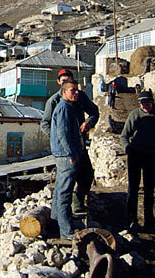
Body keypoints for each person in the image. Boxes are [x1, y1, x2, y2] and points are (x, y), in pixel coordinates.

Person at [41, 69, 99, 213]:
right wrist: (59, 139)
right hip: (64, 150)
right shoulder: (54, 102)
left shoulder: (79, 96)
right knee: (66, 181)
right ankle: (61, 217)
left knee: (86, 174)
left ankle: (78, 202)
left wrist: (89, 123)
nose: (67, 83)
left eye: (69, 80)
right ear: (59, 83)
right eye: (63, 81)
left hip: (80, 143)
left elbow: (94, 111)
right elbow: (45, 124)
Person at [120, 90, 155, 231]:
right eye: (143, 104)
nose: (145, 107)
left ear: (152, 103)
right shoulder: (134, 115)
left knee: (149, 190)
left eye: (147, 104)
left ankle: (149, 221)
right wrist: (127, 149)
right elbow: (124, 135)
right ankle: (131, 220)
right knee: (133, 189)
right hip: (135, 155)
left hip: (152, 157)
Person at [50, 78, 83, 239]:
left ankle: (55, 223)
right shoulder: (64, 108)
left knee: (59, 191)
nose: (76, 93)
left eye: (77, 90)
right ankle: (66, 231)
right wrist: (72, 154)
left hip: (64, 154)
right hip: (66, 156)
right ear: (64, 92)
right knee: (65, 193)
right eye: (73, 90)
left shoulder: (67, 107)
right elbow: (63, 133)